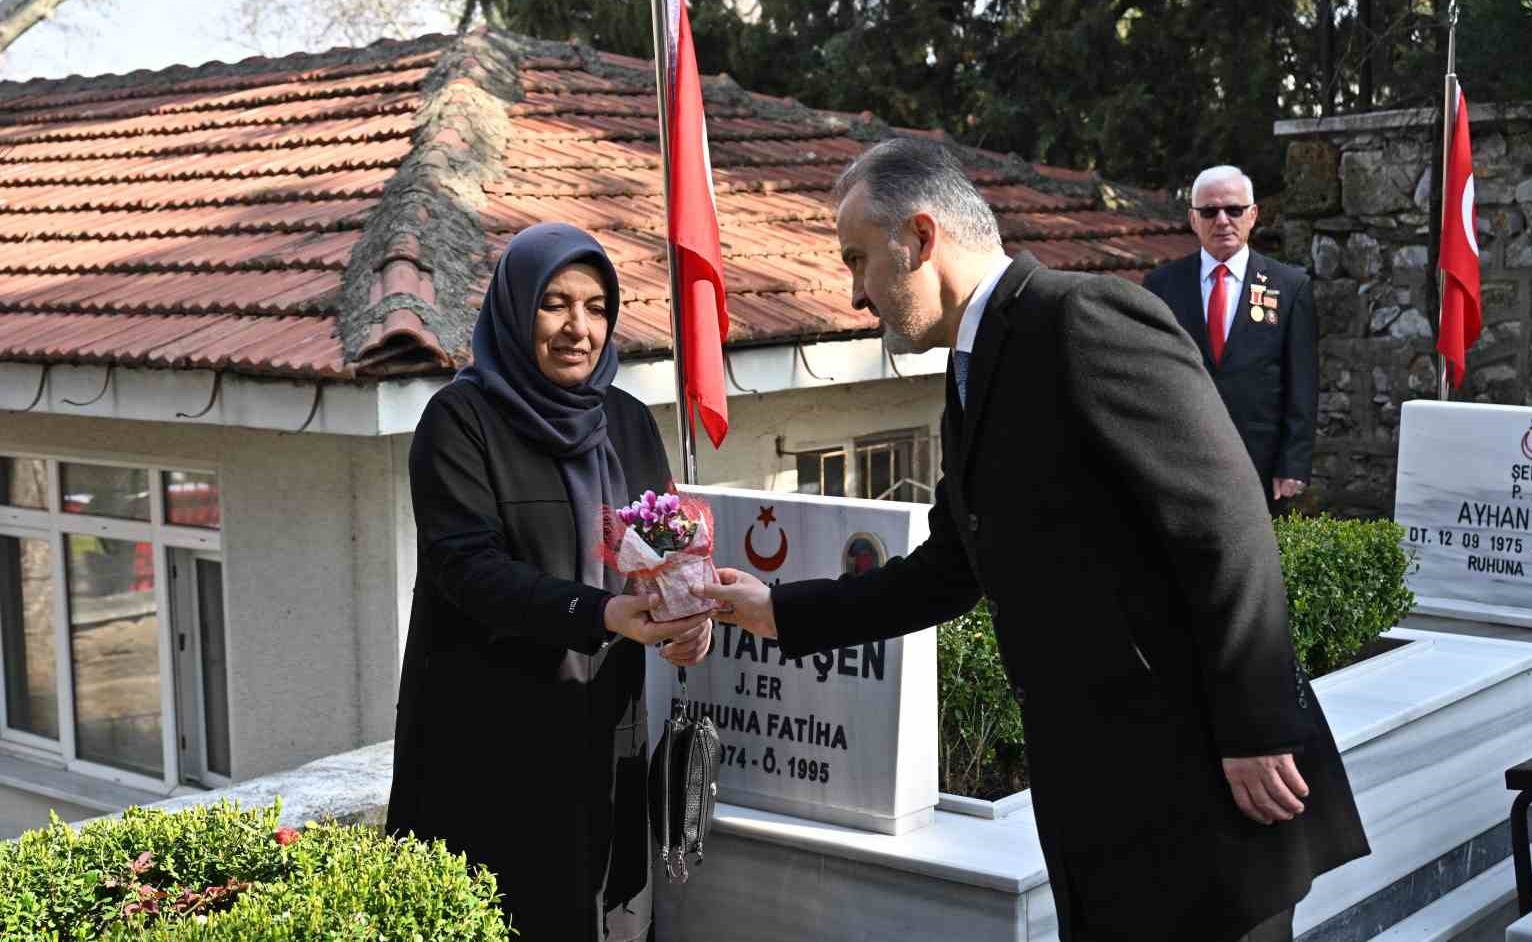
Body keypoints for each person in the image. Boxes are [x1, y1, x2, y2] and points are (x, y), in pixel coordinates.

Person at [696, 140, 1368, 942]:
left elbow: (1226, 521)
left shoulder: (1081, 317)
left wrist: (1256, 730)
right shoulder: (972, 366)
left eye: (858, 260)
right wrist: (775, 611)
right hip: (1104, 808)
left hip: (1207, 793)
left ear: (919, 237)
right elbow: (950, 568)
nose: (854, 294)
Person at [386, 223, 714, 941]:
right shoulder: (458, 422)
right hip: (494, 748)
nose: (579, 328)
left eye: (597, 307)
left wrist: (689, 616)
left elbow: (665, 549)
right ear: (514, 309)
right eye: (555, 304)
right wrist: (602, 614)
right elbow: (469, 571)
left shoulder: (626, 420)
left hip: (609, 739)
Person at [1142, 166, 1318, 514]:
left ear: (1252, 215)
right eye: (1209, 212)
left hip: (1260, 462)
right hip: (1181, 458)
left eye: (1233, 210)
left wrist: (1293, 463)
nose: (1222, 220)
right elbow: (1149, 377)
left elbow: (1303, 383)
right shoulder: (1161, 285)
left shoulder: (1289, 286)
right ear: (1193, 219)